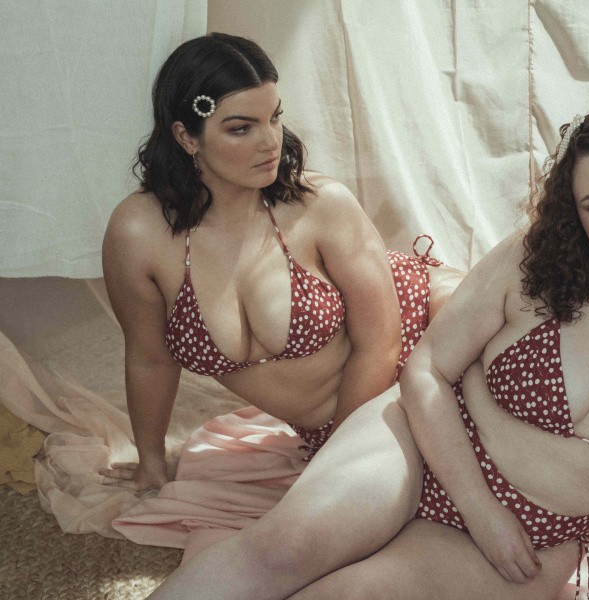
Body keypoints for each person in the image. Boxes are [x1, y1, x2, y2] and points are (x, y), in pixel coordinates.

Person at [145, 101, 589, 600]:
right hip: (420, 443)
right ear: (575, 211)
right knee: (282, 552)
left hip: (540, 530)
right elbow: (426, 369)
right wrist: (480, 509)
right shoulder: (534, 257)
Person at [100, 32, 461, 493]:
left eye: (274, 117)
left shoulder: (319, 204)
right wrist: (150, 459)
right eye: (241, 128)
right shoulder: (139, 234)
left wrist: (337, 460)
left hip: (433, 344)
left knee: (504, 479)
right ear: (186, 137)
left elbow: (380, 344)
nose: (271, 141)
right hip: (347, 421)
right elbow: (150, 358)